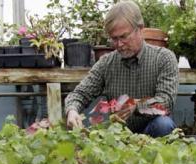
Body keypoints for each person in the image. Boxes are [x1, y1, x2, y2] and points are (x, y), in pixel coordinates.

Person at [64, 0, 179, 137]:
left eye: (124, 36)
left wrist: (136, 106)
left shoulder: (163, 58)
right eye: (114, 38)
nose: (119, 44)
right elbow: (80, 94)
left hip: (153, 132)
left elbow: (166, 102)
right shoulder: (106, 63)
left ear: (140, 29)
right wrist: (72, 111)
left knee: (163, 125)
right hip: (119, 137)